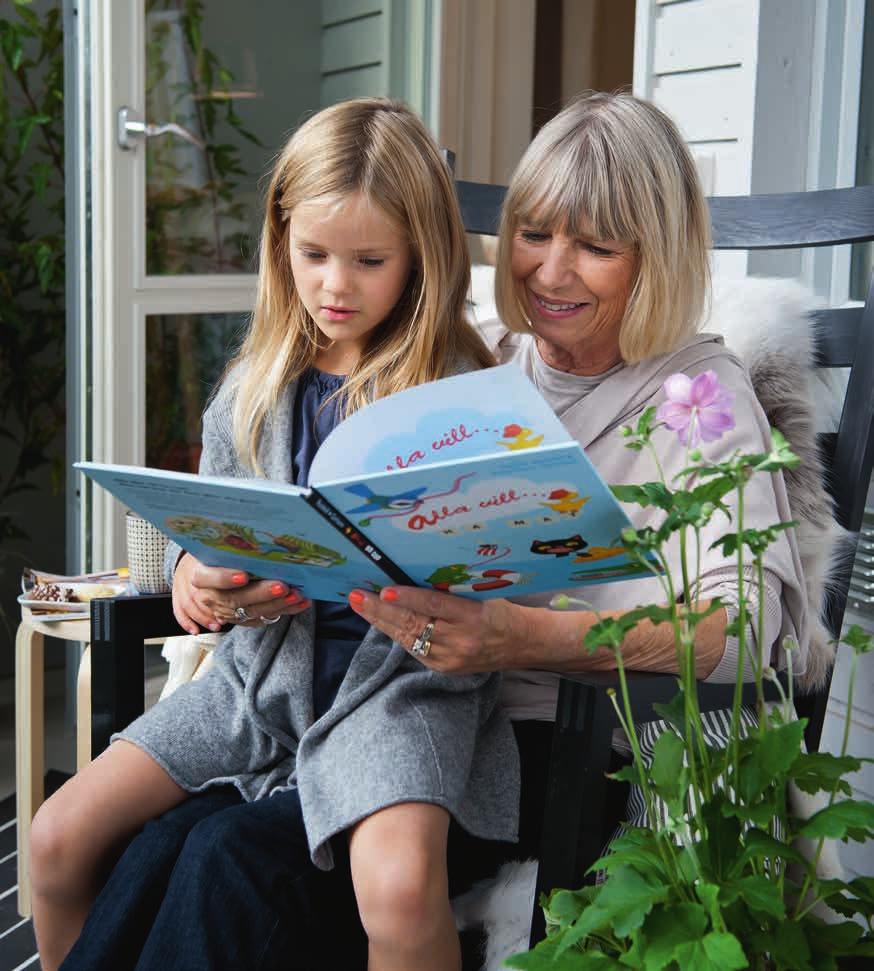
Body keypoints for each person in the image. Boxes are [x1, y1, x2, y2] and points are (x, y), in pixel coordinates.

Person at [55, 90, 820, 970]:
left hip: (548, 740)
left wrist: (522, 634)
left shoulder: (703, 397)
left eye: (597, 246)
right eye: (534, 233)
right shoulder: (480, 355)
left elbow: (751, 634)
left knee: (231, 858)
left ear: (660, 255)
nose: (551, 273)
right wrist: (209, 564)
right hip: (358, 694)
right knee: (153, 844)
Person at [29, 96, 517, 971]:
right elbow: (210, 535)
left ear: (421, 260)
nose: (336, 284)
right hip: (257, 684)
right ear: (279, 240)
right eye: (314, 254)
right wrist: (193, 577)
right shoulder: (255, 385)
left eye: (370, 260)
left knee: (401, 891)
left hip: (396, 694)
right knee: (59, 834)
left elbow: (500, 563)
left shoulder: (459, 398)